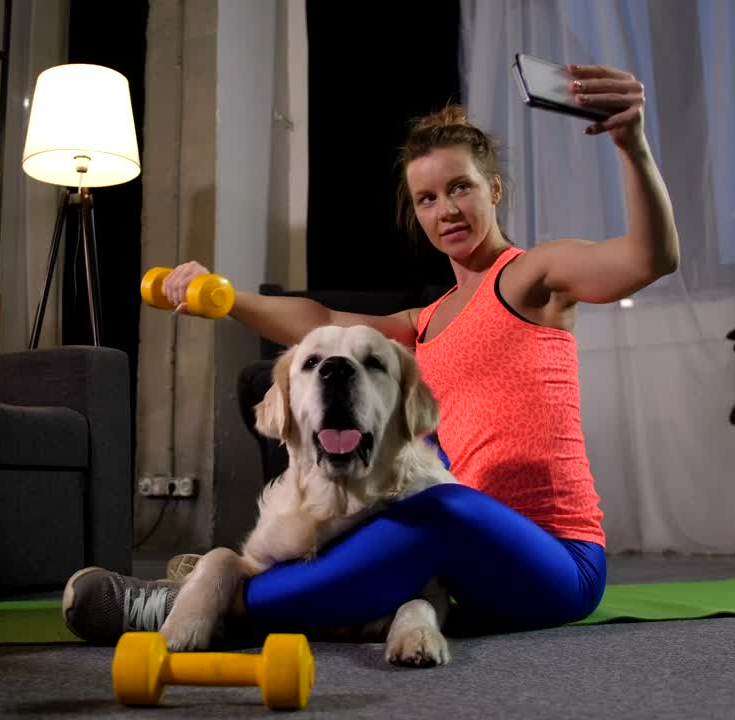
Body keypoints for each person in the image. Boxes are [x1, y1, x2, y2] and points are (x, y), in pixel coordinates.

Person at [63, 63, 679, 644]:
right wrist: (223, 297)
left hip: (558, 563)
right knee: (400, 511)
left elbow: (648, 259)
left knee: (436, 506)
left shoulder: (530, 277)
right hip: (463, 566)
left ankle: (197, 604)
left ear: (493, 190)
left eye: (460, 188)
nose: (446, 210)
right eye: (427, 198)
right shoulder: (425, 322)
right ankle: (235, 584)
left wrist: (632, 144)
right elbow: (323, 322)